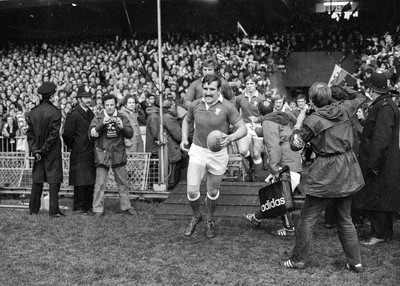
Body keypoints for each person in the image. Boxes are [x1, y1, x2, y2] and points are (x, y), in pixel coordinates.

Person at [283, 82, 364, 273]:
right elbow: (359, 97)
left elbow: (295, 145)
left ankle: (298, 260)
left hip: (325, 169)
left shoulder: (312, 120)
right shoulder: (344, 108)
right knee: (345, 218)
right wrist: (340, 88)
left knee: (308, 217)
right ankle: (355, 262)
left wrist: (299, 120)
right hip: (346, 166)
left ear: (311, 101)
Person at [180, 74, 247, 238]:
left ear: (219, 90)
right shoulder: (195, 104)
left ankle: (210, 220)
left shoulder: (227, 107)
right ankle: (196, 216)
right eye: (205, 88)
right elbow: (187, 121)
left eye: (212, 89)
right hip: (198, 150)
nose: (208, 92)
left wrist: (231, 138)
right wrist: (184, 138)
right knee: (192, 190)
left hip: (218, 154)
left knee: (212, 191)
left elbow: (243, 129)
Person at [243, 99, 302, 236]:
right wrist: (257, 130)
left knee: (281, 194)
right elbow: (277, 132)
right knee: (277, 193)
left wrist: (274, 169)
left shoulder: (268, 122)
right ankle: (257, 217)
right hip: (293, 158)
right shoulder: (278, 117)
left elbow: (273, 146)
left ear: (259, 112)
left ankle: (288, 228)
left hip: (285, 162)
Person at [354, 72, 400, 245]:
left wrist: (374, 163)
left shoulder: (383, 107)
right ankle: (384, 232)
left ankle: (378, 234)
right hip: (386, 161)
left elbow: (381, 139)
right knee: (384, 197)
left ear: (372, 89)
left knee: (376, 196)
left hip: (379, 161)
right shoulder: (387, 105)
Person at [89, 93, 137, 217]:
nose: (109, 107)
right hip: (102, 153)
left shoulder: (122, 116)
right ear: (103, 106)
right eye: (107, 105)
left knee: (122, 182)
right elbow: (91, 134)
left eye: (111, 104)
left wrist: (122, 127)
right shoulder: (99, 117)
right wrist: (101, 125)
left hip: (118, 153)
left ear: (115, 104)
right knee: (100, 183)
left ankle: (126, 207)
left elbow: (130, 134)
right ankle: (97, 209)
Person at [26, 82, 65, 217]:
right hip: (51, 151)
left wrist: (36, 150)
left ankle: (33, 209)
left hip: (38, 152)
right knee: (54, 180)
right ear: (53, 96)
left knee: (37, 179)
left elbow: (30, 134)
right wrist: (43, 149)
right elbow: (54, 135)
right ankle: (53, 211)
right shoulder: (55, 112)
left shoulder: (33, 112)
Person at [62, 85, 96, 214]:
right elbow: (67, 135)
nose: (88, 100)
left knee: (89, 180)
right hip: (79, 152)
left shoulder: (91, 113)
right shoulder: (73, 114)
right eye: (85, 97)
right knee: (80, 181)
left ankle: (88, 205)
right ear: (79, 99)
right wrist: (76, 146)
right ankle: (79, 207)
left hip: (90, 151)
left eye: (89, 97)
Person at [235, 75, 266, 181]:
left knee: (257, 153)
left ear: (256, 85)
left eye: (251, 83)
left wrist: (257, 119)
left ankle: (257, 176)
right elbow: (235, 112)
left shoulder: (261, 98)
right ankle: (251, 162)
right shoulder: (240, 98)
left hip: (257, 126)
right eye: (247, 84)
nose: (249, 86)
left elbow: (266, 115)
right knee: (243, 150)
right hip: (245, 126)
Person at [161, 98, 184, 190]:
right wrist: (185, 139)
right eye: (174, 105)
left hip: (171, 146)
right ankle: (174, 188)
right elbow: (178, 135)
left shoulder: (165, 116)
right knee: (175, 168)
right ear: (171, 107)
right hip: (172, 147)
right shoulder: (169, 117)